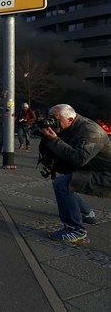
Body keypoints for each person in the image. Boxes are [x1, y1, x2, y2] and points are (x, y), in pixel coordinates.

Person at [38, 104, 111, 243]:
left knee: (62, 184)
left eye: (55, 119)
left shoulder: (90, 132)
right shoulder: (70, 125)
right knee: (68, 181)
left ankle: (75, 230)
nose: (52, 122)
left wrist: (54, 139)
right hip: (94, 168)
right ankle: (86, 213)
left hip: (106, 173)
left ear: (70, 120)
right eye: (50, 118)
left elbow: (79, 159)